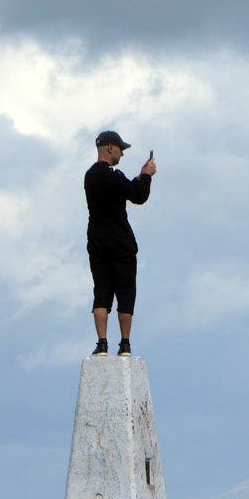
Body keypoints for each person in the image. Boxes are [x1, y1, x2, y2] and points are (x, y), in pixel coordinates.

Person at [84, 130, 156, 357]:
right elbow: (138, 196)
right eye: (120, 150)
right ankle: (125, 344)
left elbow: (120, 189)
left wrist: (132, 180)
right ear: (110, 148)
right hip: (120, 243)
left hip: (96, 241)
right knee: (125, 292)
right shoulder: (113, 175)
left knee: (101, 292)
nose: (122, 155)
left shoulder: (89, 176)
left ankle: (102, 343)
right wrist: (146, 176)